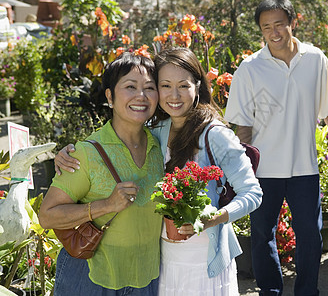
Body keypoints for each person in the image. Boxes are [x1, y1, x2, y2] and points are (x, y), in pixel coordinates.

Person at [54, 47, 263, 295]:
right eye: (164, 85)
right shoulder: (157, 131)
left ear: (197, 87)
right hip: (163, 261)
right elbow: (119, 134)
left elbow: (252, 193)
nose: (174, 95)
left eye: (183, 86)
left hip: (203, 260)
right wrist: (67, 152)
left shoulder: (216, 134)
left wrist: (214, 218)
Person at [224, 0, 328, 295]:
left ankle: (306, 291)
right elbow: (243, 127)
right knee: (262, 235)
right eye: (266, 27)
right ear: (260, 30)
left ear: (292, 22)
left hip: (304, 167)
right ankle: (270, 291)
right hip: (264, 170)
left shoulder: (315, 59)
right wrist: (238, 167)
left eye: (279, 24)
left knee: (311, 236)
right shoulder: (249, 69)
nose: (274, 32)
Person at [38, 52, 164, 295]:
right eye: (130, 86)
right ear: (110, 96)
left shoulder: (160, 145)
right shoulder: (86, 153)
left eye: (150, 87)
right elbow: (47, 216)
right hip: (91, 279)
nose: (141, 96)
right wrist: (105, 205)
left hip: (147, 278)